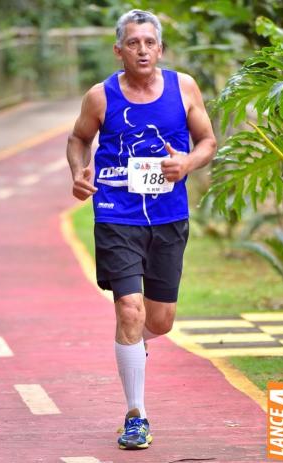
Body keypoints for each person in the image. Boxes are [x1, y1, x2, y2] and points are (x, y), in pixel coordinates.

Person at [66, 9, 217, 450]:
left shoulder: (184, 87)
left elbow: (207, 140)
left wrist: (187, 162)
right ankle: (136, 415)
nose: (142, 50)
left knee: (160, 321)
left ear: (161, 49)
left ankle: (129, 346)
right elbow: (78, 139)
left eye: (150, 42)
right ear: (119, 51)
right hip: (116, 214)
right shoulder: (101, 96)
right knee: (129, 308)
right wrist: (79, 173)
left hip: (169, 217)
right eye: (133, 43)